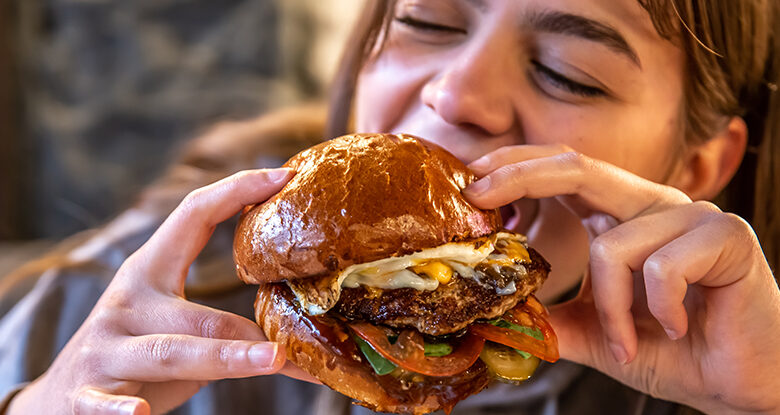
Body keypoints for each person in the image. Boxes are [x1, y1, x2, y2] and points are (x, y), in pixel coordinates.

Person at [1, 0, 779, 414]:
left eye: (568, 74)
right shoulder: (130, 297)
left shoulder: (744, 362)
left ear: (700, 163)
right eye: (427, 22)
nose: (456, 94)